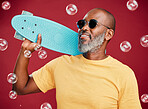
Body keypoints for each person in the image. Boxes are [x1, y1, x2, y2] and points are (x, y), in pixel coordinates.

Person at [13, 8, 142, 109]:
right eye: (81, 24)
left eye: (92, 24)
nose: (84, 28)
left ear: (108, 34)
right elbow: (20, 88)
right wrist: (25, 51)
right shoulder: (62, 64)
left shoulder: (123, 74)